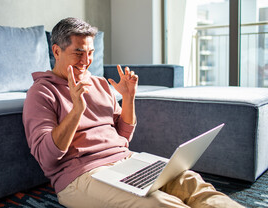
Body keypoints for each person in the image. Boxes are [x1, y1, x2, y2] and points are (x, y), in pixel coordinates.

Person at [22, 17, 243, 208]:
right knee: (158, 203)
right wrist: (77, 110)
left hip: (126, 160)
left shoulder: (98, 83)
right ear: (57, 51)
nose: (86, 61)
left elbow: (123, 138)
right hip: (81, 176)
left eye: (90, 53)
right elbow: (47, 158)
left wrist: (128, 98)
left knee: (191, 182)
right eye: (78, 53)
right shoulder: (41, 93)